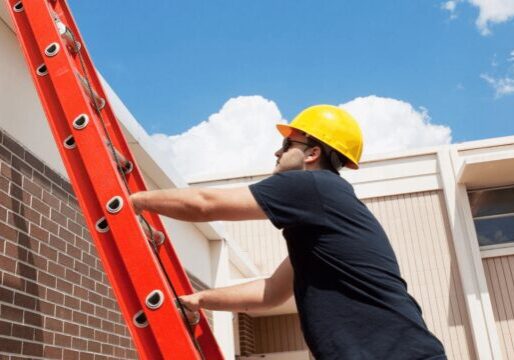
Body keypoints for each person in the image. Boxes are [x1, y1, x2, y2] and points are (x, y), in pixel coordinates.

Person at [129, 105, 446, 359]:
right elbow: (272, 292)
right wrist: (201, 299)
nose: (277, 154)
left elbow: (204, 204)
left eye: (286, 144)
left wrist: (133, 200)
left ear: (312, 154)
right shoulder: (323, 222)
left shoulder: (311, 185)